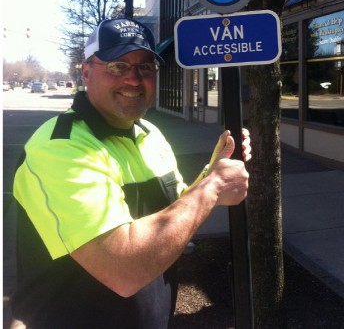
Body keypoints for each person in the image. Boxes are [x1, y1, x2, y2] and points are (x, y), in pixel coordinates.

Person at [12, 18, 251, 329]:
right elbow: (123, 269)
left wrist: (211, 174)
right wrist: (212, 189)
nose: (134, 79)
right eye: (117, 66)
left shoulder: (149, 133)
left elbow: (173, 210)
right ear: (86, 72)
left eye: (145, 67)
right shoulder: (59, 149)